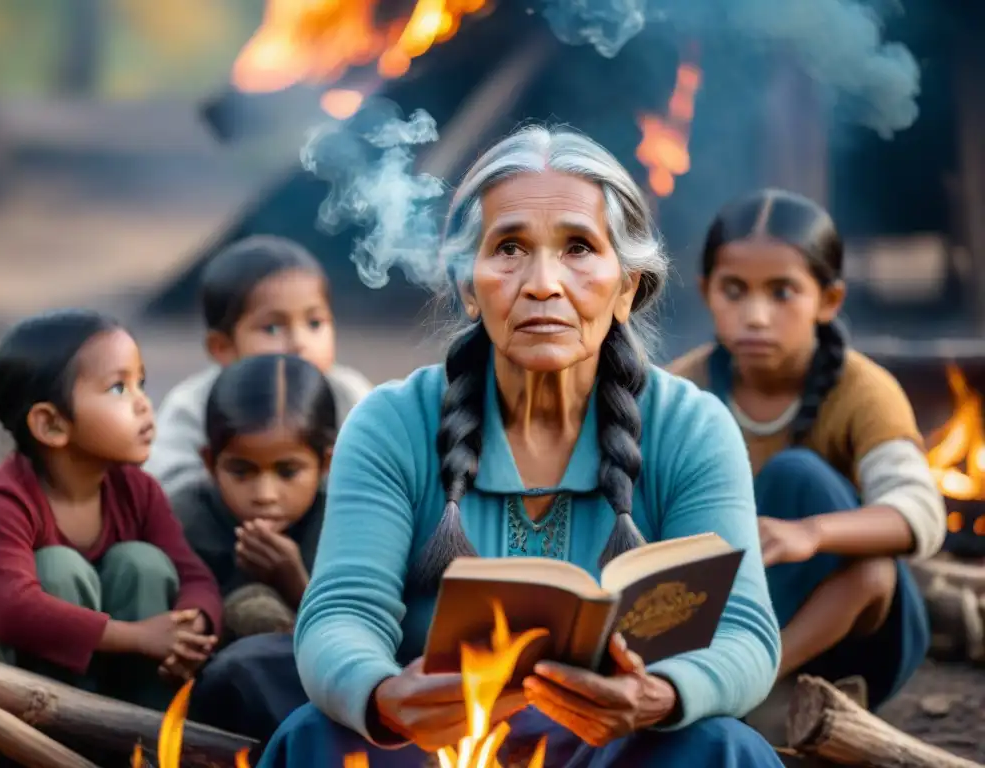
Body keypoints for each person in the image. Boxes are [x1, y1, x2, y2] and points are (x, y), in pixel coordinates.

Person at [252, 126, 784, 767]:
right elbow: (341, 613)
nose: (542, 283)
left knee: (722, 747)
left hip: (615, 752)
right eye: (508, 249)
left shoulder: (691, 427)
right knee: (317, 736)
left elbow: (744, 632)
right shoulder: (392, 423)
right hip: (439, 750)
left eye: (579, 248)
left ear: (627, 288)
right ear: (468, 287)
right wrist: (387, 695)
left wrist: (659, 696)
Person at [667, 188, 946, 719]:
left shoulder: (863, 390)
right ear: (706, 292)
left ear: (828, 300)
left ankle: (751, 684)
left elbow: (922, 511)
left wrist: (810, 533)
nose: (755, 316)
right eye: (734, 290)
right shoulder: (684, 389)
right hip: (730, 611)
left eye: (782, 293)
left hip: (856, 638)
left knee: (801, 480)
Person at [0, 310, 223, 711]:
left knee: (143, 563)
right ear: (50, 425)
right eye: (119, 388)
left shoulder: (138, 490)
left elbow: (194, 576)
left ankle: (147, 738)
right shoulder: (2, 505)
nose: (143, 404)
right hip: (4, 708)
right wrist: (138, 635)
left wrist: (190, 627)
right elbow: (13, 612)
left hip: (119, 696)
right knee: (56, 570)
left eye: (142, 383)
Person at [144, 235, 371, 500]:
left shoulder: (350, 395)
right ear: (223, 347)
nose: (299, 343)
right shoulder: (193, 405)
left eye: (314, 323)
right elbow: (167, 487)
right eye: (272, 328)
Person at [172, 353, 335, 641]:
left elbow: (352, 630)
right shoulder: (184, 521)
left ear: (325, 463)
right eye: (241, 471)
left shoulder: (342, 522)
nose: (264, 495)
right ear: (210, 463)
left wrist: (296, 583)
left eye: (287, 472)